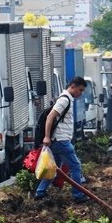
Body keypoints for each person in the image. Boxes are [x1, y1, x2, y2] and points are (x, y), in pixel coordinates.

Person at [34, 76, 89, 204]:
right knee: (76, 166)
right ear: (73, 87)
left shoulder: (67, 99)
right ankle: (78, 195)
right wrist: (47, 136)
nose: (80, 93)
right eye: (80, 90)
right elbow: (50, 117)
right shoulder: (64, 100)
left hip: (59, 140)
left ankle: (40, 193)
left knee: (53, 169)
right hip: (61, 141)